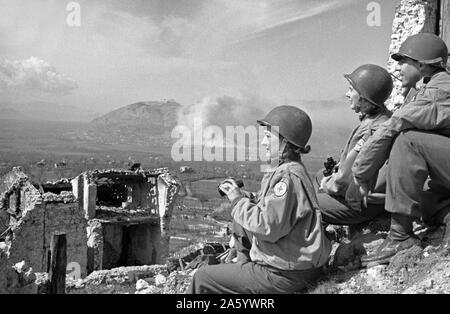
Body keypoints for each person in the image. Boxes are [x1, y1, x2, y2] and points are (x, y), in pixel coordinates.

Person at [189, 106, 331, 294]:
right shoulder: (289, 169)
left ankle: (244, 271)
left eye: (268, 136)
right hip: (294, 264)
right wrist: (245, 197)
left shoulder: (286, 177)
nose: (263, 142)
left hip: (284, 274)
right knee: (242, 207)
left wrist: (237, 200)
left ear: (285, 143)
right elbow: (275, 210)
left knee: (202, 277)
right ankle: (242, 266)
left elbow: (268, 227)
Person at [352, 33, 450, 266]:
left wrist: (361, 172)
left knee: (407, 141)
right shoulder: (427, 87)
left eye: (404, 61)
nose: (399, 67)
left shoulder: (439, 92)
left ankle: (400, 236)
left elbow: (392, 127)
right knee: (420, 194)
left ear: (422, 63)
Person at [316, 64, 393, 226]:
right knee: (319, 175)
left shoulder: (371, 129)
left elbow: (343, 181)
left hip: (364, 203)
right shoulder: (382, 118)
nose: (347, 94)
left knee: (300, 203)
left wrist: (327, 184)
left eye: (351, 89)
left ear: (366, 98)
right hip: (372, 195)